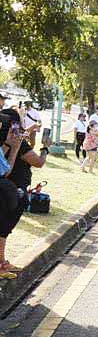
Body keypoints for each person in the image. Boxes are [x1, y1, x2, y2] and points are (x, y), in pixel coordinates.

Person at [0, 109, 48, 278]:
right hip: (10, 191)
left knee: (4, 228)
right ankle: (1, 263)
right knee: (4, 227)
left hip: (11, 190)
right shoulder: (12, 142)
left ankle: (2, 261)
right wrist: (46, 149)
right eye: (18, 122)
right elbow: (37, 162)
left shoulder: (10, 140)